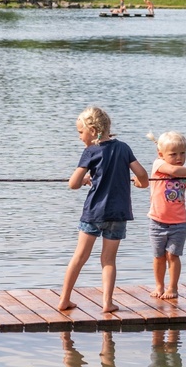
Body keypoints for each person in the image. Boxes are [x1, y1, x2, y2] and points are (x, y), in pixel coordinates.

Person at [58, 106, 149, 313]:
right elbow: (142, 175)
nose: (80, 137)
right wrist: (141, 184)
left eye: (81, 132)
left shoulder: (90, 151)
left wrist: (85, 179)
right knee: (108, 260)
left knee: (79, 257)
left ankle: (64, 299)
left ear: (92, 129)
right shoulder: (124, 148)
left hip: (94, 212)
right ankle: (107, 303)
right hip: (118, 214)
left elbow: (73, 183)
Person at [140, 131, 186, 299]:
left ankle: (172, 287)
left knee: (173, 255)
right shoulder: (159, 165)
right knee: (159, 256)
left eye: (183, 153)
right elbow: (172, 169)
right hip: (157, 221)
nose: (179, 157)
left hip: (178, 223)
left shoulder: (184, 174)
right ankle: (159, 286)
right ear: (161, 154)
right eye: (173, 154)